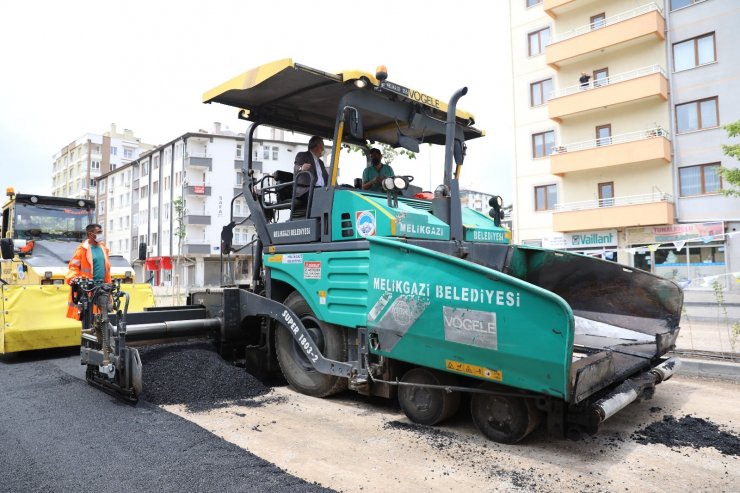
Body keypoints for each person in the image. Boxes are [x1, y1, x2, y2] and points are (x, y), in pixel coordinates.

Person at [64, 223, 111, 320]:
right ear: (90, 234)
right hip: (88, 289)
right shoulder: (82, 250)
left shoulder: (103, 248)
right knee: (88, 318)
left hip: (102, 288)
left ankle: (101, 334)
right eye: (98, 232)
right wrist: (74, 279)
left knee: (103, 319)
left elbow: (106, 270)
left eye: (101, 232)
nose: (101, 234)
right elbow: (73, 267)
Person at [293, 136, 329, 211]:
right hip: (306, 190)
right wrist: (302, 168)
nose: (323, 149)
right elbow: (296, 168)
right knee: (320, 194)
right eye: (322, 146)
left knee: (333, 193)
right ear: (317, 146)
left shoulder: (321, 162)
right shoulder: (302, 155)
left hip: (320, 189)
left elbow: (327, 177)